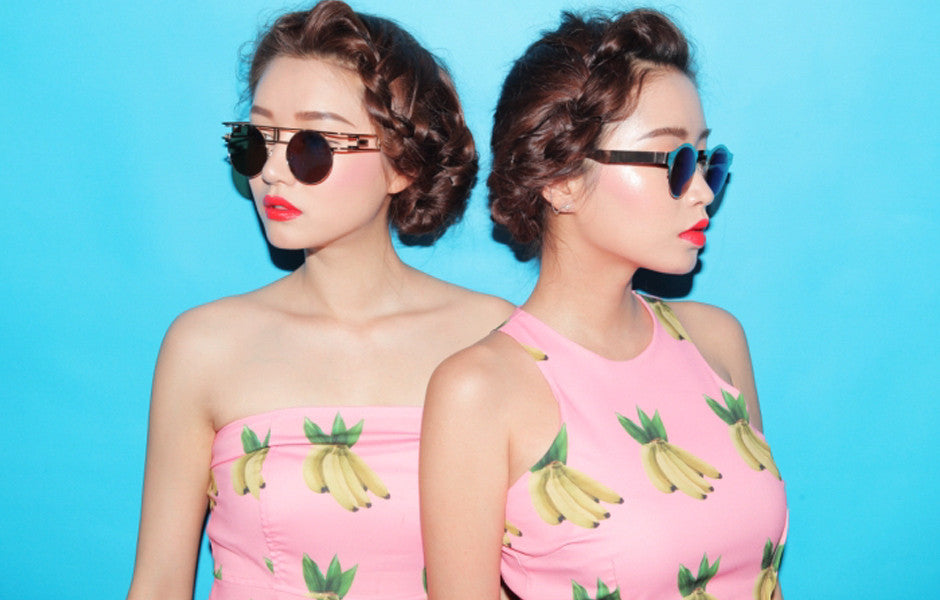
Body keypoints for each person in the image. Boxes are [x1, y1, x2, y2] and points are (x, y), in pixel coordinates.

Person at [126, 2, 511, 599]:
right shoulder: (204, 346)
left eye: (311, 144)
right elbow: (158, 584)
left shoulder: (496, 340)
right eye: (258, 140)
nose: (272, 173)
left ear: (402, 165)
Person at [420, 9, 787, 600]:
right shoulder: (480, 389)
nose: (702, 191)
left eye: (705, 159)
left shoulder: (716, 342)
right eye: (674, 161)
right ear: (560, 178)